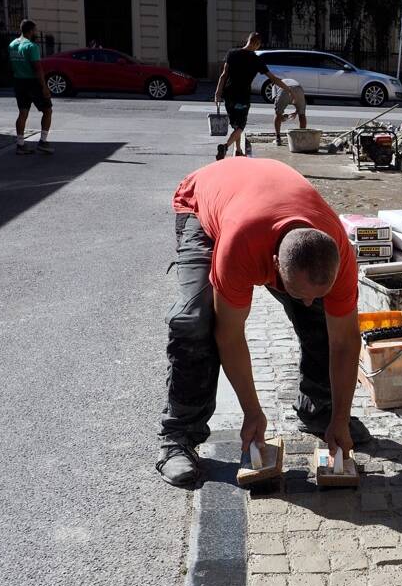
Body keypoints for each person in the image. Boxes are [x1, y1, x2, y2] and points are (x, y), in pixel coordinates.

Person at [157, 156, 372, 487]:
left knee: (319, 313)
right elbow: (229, 335)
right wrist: (252, 412)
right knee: (194, 320)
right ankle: (179, 438)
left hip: (259, 200)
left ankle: (319, 410)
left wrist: (340, 418)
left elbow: (344, 341)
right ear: (273, 265)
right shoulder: (240, 246)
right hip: (203, 203)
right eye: (298, 291)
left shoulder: (339, 251)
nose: (308, 300)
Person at [213, 32, 293, 160]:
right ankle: (225, 146)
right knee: (240, 126)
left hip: (228, 95)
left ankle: (238, 151)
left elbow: (223, 75)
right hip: (242, 97)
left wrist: (217, 93)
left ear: (248, 40)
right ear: (256, 44)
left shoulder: (232, 53)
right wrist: (288, 89)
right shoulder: (256, 60)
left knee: (235, 125)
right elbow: (273, 78)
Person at [8, 19, 52, 155]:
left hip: (18, 81)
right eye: (35, 30)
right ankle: (43, 141)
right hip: (32, 82)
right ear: (31, 31)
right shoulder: (31, 46)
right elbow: (37, 68)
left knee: (23, 113)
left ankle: (20, 144)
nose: (36, 32)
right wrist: (44, 87)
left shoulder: (12, 44)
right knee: (47, 110)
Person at [273, 77, 307, 145]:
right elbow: (299, 105)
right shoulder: (292, 81)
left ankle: (278, 139)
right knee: (302, 114)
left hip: (284, 90)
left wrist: (281, 117)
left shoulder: (275, 85)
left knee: (277, 114)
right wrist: (296, 112)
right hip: (298, 88)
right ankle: (301, 138)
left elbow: (277, 107)